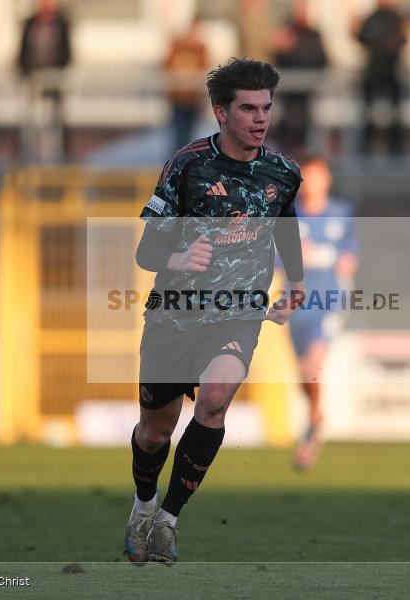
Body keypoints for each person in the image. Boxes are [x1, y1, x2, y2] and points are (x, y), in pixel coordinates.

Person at [125, 58, 305, 565]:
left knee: (216, 399)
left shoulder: (284, 171)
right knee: (154, 431)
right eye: (248, 107)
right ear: (220, 112)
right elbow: (146, 252)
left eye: (266, 107)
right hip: (173, 316)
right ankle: (143, 504)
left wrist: (297, 279)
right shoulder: (186, 166)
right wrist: (178, 256)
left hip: (237, 312)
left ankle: (168, 520)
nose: (260, 118)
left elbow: (285, 219)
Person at [284, 155, 357, 470]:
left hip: (327, 303)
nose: (312, 183)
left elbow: (349, 256)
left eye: (317, 176)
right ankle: (315, 415)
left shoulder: (342, 215)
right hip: (297, 305)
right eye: (307, 177)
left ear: (326, 179)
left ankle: (312, 428)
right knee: (304, 376)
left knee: (314, 365)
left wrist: (342, 265)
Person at [17, 0, 72, 161]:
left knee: (54, 129)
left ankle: (58, 161)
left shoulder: (62, 23)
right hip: (32, 89)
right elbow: (22, 56)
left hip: (54, 88)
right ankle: (30, 160)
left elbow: (67, 55)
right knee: (32, 129)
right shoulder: (30, 24)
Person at [272, 0, 328, 152]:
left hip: (306, 94)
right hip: (288, 93)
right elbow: (278, 59)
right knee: (287, 125)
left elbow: (320, 59)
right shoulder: (286, 31)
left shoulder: (313, 35)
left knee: (304, 127)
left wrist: (294, 48)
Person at [356, 0, 408, 155]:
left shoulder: (397, 19)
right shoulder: (370, 19)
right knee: (368, 112)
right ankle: (367, 148)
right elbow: (362, 38)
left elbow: (403, 41)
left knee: (395, 113)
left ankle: (396, 149)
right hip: (373, 71)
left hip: (392, 71)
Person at [165, 17, 209, 153]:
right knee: (179, 134)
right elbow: (167, 66)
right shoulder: (177, 46)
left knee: (190, 135)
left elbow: (204, 72)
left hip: (193, 99)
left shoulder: (201, 49)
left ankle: (185, 163)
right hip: (178, 98)